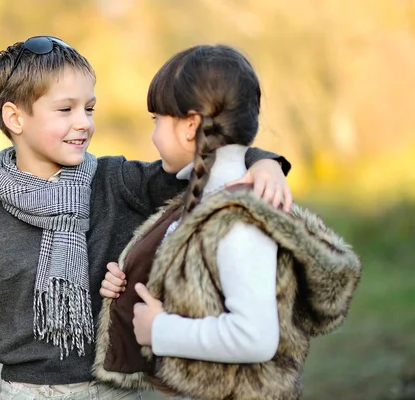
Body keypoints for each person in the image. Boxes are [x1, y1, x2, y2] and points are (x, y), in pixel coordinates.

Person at [0, 36, 293, 400]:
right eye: (66, 110)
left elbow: (207, 157)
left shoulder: (117, 182)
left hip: (117, 391)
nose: (83, 123)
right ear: (15, 117)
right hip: (30, 393)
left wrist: (263, 162)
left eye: (89, 109)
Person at [95, 44, 361, 400]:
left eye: (156, 121)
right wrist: (127, 280)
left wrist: (160, 330)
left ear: (190, 126)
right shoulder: (197, 204)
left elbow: (255, 338)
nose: (154, 134)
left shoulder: (238, 223)